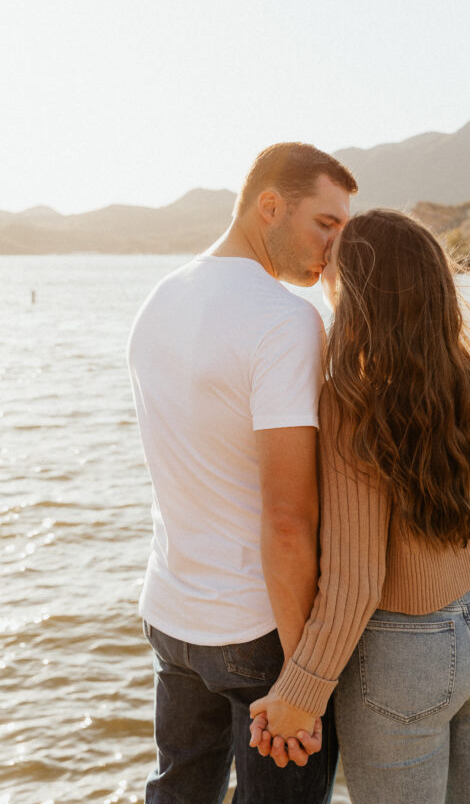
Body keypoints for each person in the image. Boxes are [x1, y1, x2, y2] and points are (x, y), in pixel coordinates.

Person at [250, 208, 470, 804]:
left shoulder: (351, 399)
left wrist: (301, 693)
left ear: (354, 293)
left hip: (406, 659)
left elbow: (354, 579)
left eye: (333, 271)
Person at [127, 142, 357, 804]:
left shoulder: (160, 298)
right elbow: (288, 519)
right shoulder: (284, 321)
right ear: (268, 205)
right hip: (256, 631)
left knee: (178, 793)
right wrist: (302, 675)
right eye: (325, 224)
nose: (334, 247)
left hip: (171, 612)